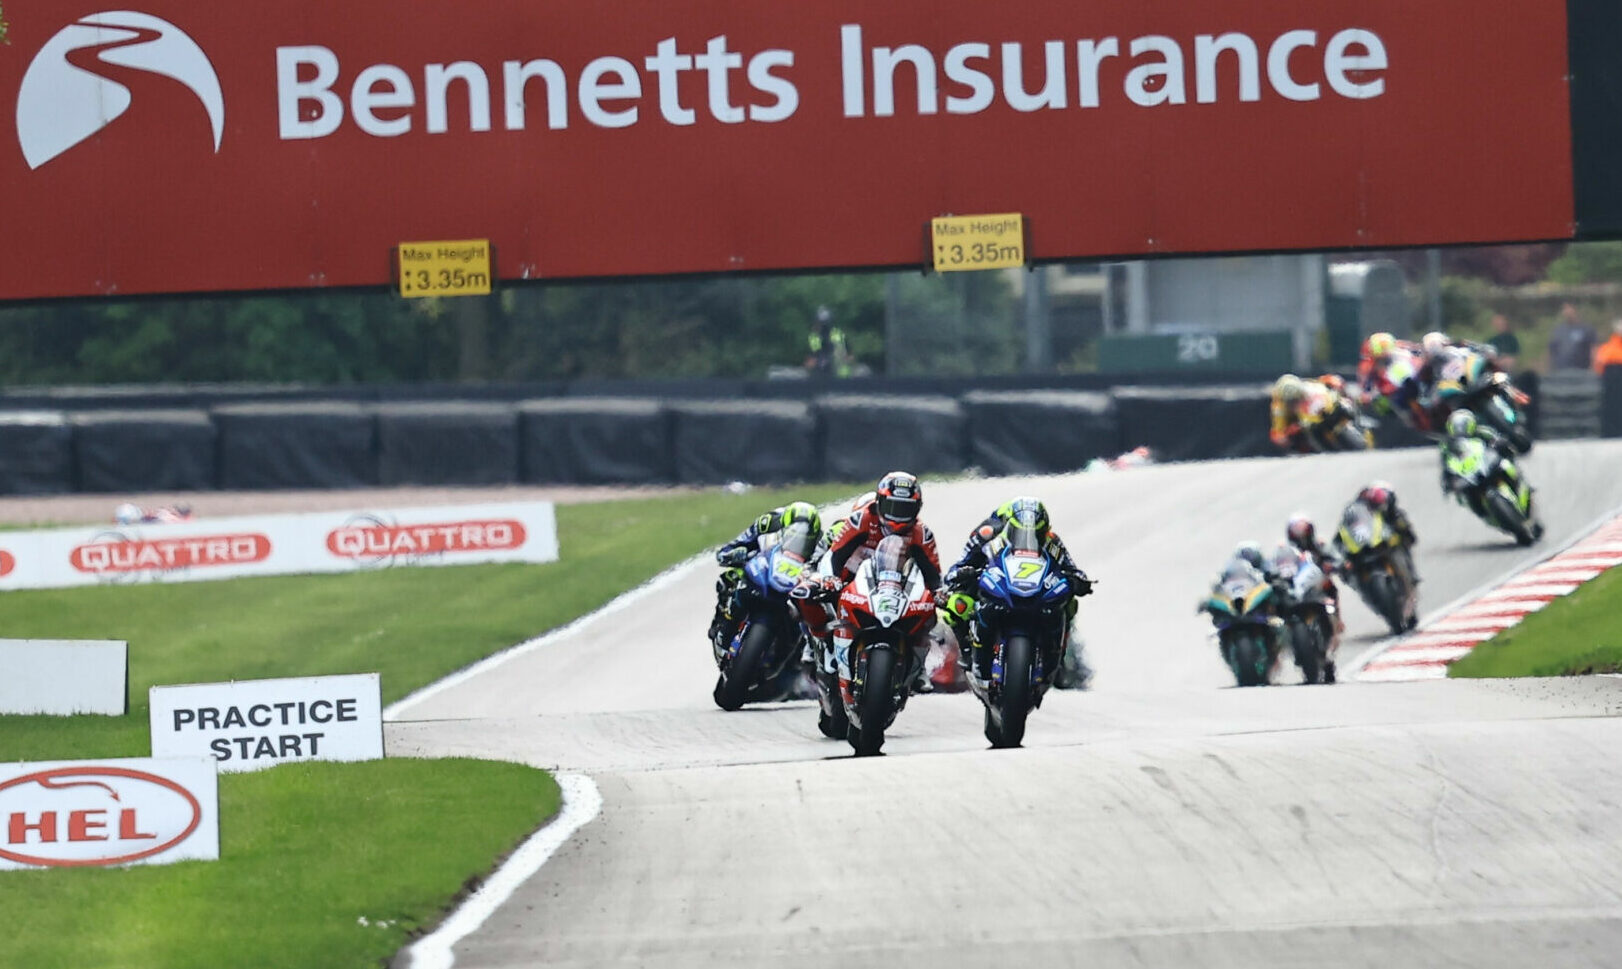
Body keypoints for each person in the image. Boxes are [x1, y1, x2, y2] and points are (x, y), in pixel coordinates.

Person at [939, 497, 1094, 680]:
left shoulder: (1051, 540)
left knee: (1070, 603)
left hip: (1033, 589)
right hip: (995, 585)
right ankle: (968, 653)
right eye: (1021, 532)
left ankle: (1057, 654)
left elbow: (1071, 568)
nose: (1029, 538)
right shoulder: (988, 533)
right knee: (957, 603)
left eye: (1036, 534)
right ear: (1009, 525)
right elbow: (960, 564)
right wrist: (961, 575)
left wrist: (1079, 580)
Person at [708, 500, 824, 651]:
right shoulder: (766, 522)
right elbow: (731, 546)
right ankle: (721, 624)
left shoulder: (819, 543)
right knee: (730, 578)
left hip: (790, 585)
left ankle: (796, 653)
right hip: (760, 569)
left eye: (806, 540)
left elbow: (822, 568)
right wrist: (735, 554)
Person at [1269, 373, 1364, 453]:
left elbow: (1328, 395)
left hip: (1325, 411)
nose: (1293, 404)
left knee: (1343, 406)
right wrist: (1289, 433)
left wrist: (1329, 407)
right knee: (1299, 438)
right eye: (1289, 402)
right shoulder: (1278, 408)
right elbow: (1277, 434)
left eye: (1296, 399)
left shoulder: (1312, 389)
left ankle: (1357, 424)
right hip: (1306, 423)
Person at [805, 305, 853, 378]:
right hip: (840, 377)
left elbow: (811, 361)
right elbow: (850, 356)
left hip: (835, 377)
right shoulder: (838, 334)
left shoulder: (815, 338)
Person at [1549, 303, 1597, 371]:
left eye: (1568, 309)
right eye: (1564, 309)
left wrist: (1593, 367)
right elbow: (1552, 351)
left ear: (1575, 310)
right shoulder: (1558, 330)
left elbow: (1593, 349)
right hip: (1562, 371)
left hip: (1581, 370)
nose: (1566, 312)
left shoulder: (1586, 329)